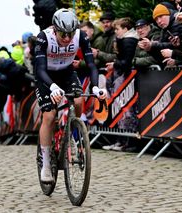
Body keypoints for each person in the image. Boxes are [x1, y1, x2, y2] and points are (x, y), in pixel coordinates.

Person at [34, 8, 108, 182]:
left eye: (70, 34)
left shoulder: (81, 36)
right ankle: (45, 163)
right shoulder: (44, 37)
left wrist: (96, 87)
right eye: (62, 34)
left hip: (66, 72)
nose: (67, 39)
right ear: (54, 28)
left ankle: (73, 136)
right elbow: (40, 69)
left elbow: (91, 65)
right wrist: (52, 87)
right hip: (46, 75)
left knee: (79, 100)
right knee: (50, 116)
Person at [103, 17, 139, 151]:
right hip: (121, 78)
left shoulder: (129, 40)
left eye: (117, 29)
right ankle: (120, 140)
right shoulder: (124, 40)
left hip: (125, 79)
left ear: (125, 29)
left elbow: (127, 62)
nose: (115, 32)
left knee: (126, 110)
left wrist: (115, 64)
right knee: (120, 109)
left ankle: (126, 142)